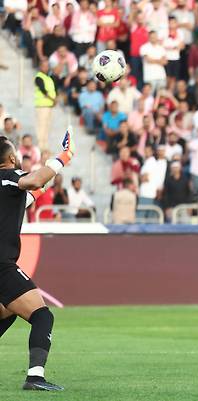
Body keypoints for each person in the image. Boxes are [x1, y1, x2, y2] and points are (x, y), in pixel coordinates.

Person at [0, 128, 75, 391]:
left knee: (7, 311)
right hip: (1, 265)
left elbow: (32, 193)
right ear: (10, 160)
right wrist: (64, 156)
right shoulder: (8, 177)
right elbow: (31, 182)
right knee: (42, 316)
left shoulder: (8, 187)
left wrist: (50, 175)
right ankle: (35, 377)